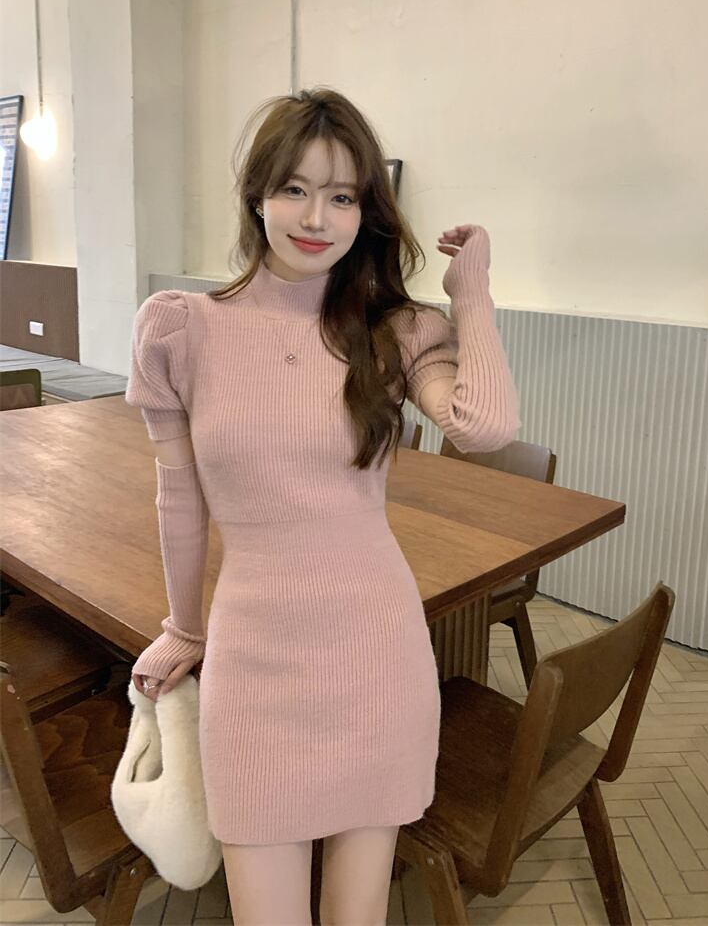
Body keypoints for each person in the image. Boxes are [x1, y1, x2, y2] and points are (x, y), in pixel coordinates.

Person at [124, 87, 521, 925]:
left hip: (376, 654)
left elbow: (485, 426)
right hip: (254, 663)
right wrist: (184, 627)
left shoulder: (396, 331)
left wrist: (471, 293)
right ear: (257, 196)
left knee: (357, 915)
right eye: (295, 189)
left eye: (342, 196)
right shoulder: (180, 330)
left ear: (366, 212)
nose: (316, 217)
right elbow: (179, 499)